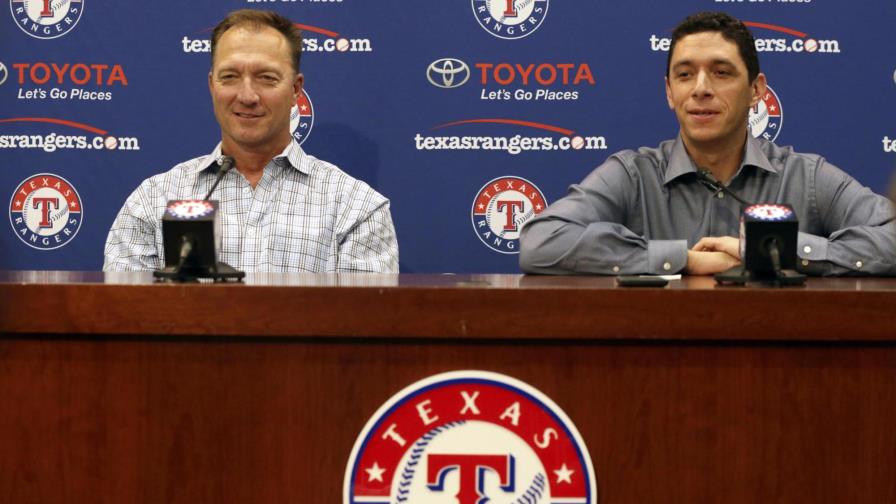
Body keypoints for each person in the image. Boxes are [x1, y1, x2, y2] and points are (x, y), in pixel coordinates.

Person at [520, 11, 895, 276]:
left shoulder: (806, 177)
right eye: (685, 75)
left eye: (721, 72)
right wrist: (680, 259)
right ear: (670, 92)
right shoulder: (633, 174)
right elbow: (541, 243)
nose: (700, 89)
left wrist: (772, 254)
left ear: (756, 91)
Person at [104, 9, 398, 273]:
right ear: (211, 85)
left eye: (266, 78)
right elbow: (123, 318)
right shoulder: (152, 201)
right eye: (229, 76)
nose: (247, 96)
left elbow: (366, 326)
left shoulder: (356, 208)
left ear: (296, 89)